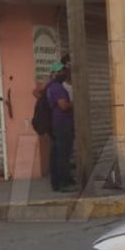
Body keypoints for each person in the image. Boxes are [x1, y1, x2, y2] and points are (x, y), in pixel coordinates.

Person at [45, 62, 76, 192]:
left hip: (58, 123)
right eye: (60, 72)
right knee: (62, 154)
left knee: (59, 153)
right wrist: (75, 102)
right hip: (62, 123)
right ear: (53, 74)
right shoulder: (57, 87)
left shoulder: (52, 87)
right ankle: (63, 183)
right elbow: (63, 106)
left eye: (64, 71)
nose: (63, 73)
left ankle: (61, 181)